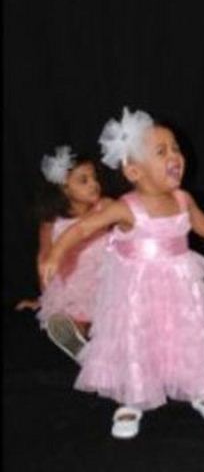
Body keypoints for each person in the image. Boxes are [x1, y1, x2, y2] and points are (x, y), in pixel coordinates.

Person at [41, 107, 204, 439]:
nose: (174, 156)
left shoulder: (183, 199)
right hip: (137, 292)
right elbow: (84, 228)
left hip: (180, 286)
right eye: (161, 151)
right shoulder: (126, 207)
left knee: (187, 333)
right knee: (136, 338)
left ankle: (199, 386)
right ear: (134, 171)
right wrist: (56, 252)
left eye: (176, 148)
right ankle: (131, 397)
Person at [16, 146, 108, 361]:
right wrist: (45, 297)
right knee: (73, 314)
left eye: (94, 178)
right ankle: (76, 339)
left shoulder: (105, 207)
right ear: (65, 189)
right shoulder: (52, 222)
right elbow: (44, 257)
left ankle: (101, 341)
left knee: (110, 314)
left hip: (104, 281)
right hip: (71, 285)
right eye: (84, 180)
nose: (94, 184)